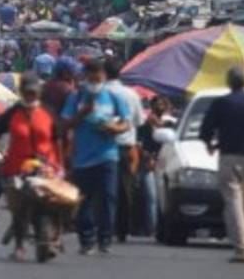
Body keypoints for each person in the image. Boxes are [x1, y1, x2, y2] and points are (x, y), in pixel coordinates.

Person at [0, 73, 61, 262]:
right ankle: (19, 246)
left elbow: (58, 139)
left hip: (46, 167)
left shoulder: (48, 112)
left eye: (33, 93)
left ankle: (53, 238)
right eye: (27, 92)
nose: (30, 96)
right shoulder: (13, 112)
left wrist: (60, 165)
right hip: (17, 168)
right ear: (22, 92)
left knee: (54, 203)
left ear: (39, 93)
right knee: (19, 207)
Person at [61, 58, 130, 255]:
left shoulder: (113, 96)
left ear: (104, 77)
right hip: (82, 158)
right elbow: (64, 125)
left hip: (108, 155)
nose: (94, 82)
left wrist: (114, 128)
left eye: (98, 79)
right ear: (85, 77)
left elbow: (126, 123)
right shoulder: (76, 97)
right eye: (90, 79)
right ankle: (86, 239)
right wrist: (82, 114)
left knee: (108, 197)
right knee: (84, 200)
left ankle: (105, 239)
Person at [200, 67, 244, 263]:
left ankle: (242, 247)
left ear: (229, 82)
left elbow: (206, 128)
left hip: (229, 157)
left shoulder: (221, 103)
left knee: (233, 202)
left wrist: (210, 144)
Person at [104, 59, 145, 241]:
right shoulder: (131, 94)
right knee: (125, 190)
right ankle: (122, 230)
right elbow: (139, 121)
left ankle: (105, 227)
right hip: (126, 149)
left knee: (103, 190)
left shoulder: (100, 94)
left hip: (103, 148)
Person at [138, 95, 177, 237]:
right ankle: (152, 229)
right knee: (151, 197)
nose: (159, 107)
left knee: (166, 198)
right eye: (156, 105)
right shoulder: (144, 126)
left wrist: (159, 125)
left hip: (167, 164)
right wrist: (148, 157)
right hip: (149, 163)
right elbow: (139, 143)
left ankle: (165, 227)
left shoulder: (171, 124)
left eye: (162, 104)